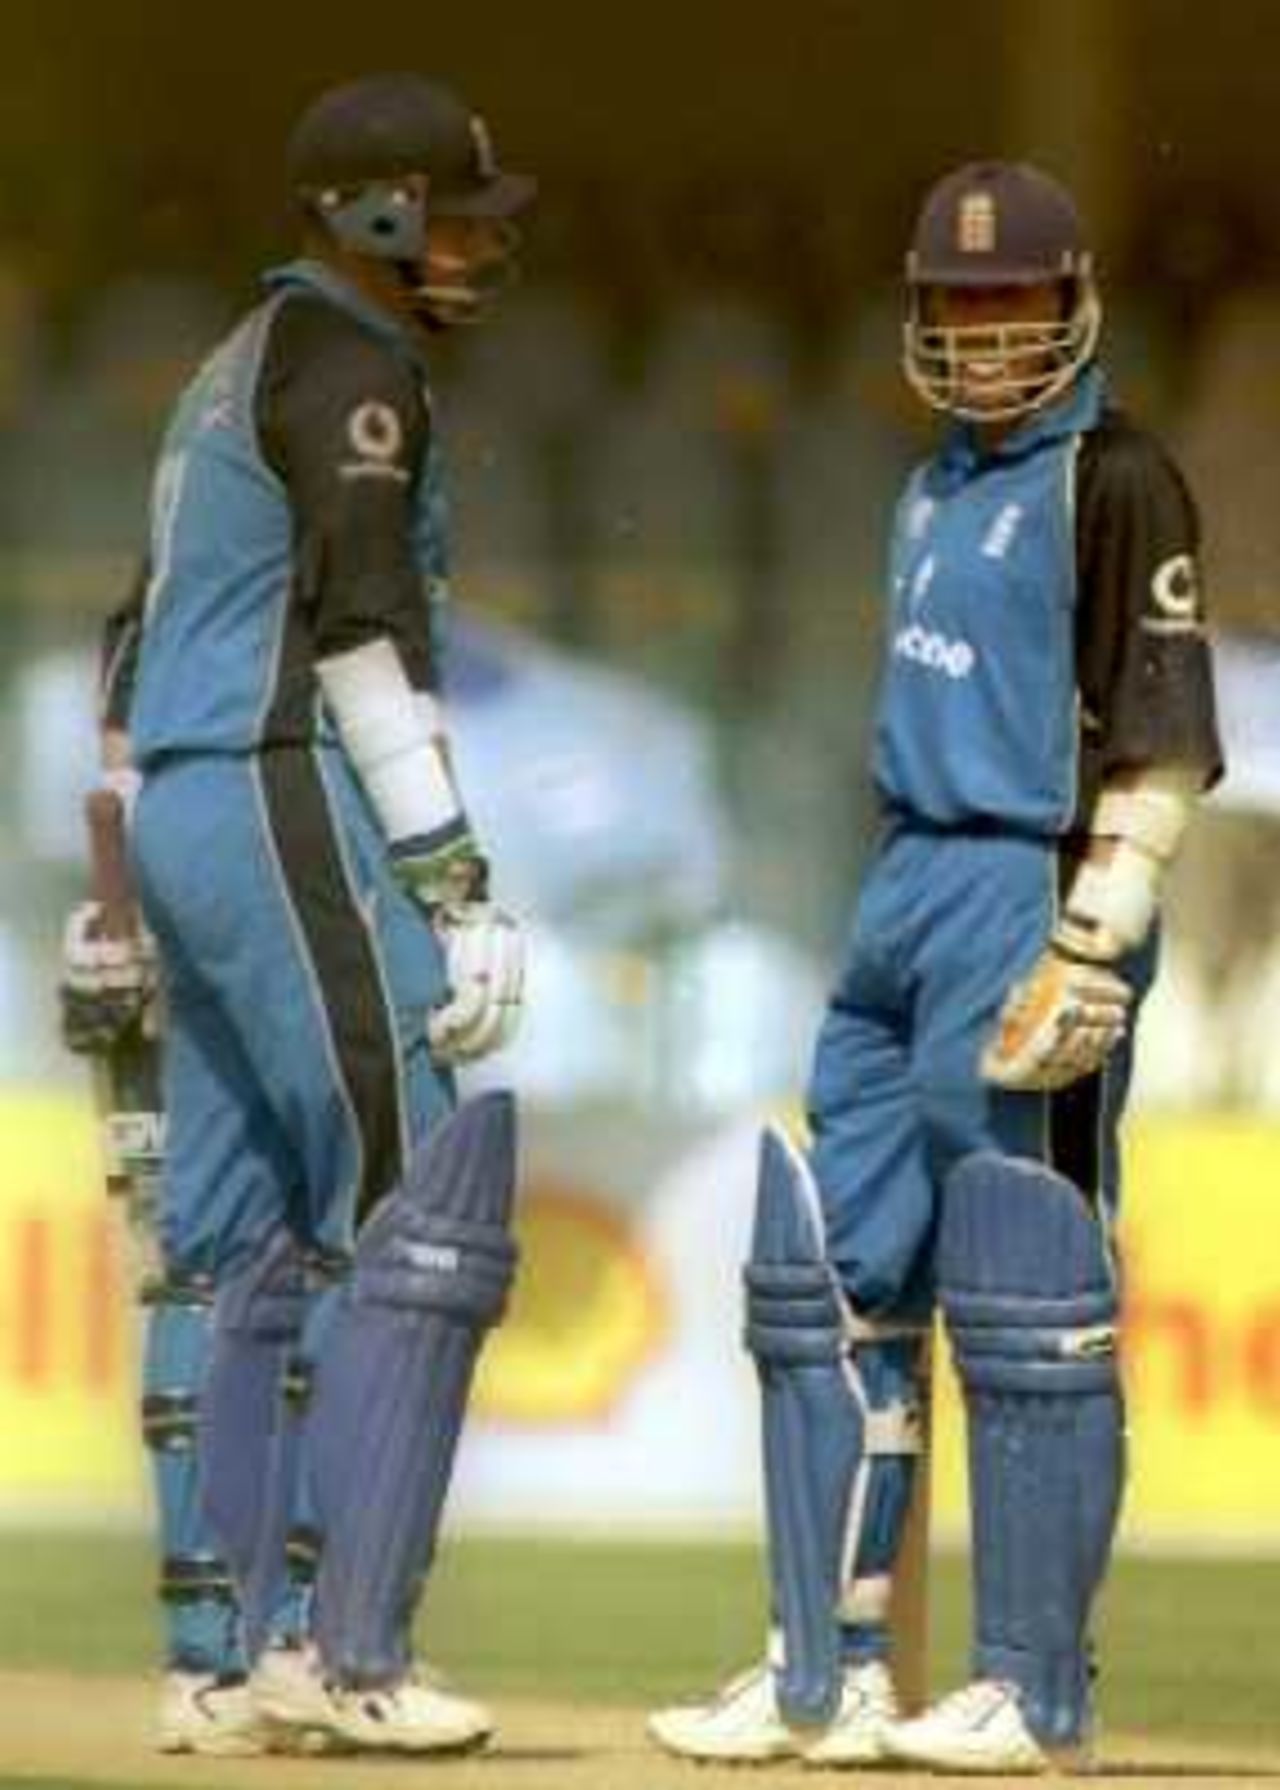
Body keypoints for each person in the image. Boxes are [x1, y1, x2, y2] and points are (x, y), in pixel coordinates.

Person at [648, 160, 1222, 1774]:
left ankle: (1030, 1687)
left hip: (1026, 876)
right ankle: (823, 1672)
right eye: (959, 304)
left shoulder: (1117, 479)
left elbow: (1164, 737)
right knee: (839, 1287)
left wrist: (1098, 925)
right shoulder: (928, 487)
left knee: (1029, 1292)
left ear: (1071, 301)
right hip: (902, 881)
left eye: (1012, 300)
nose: (983, 333)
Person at [78, 71, 533, 1757]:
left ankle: (213, 1659)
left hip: (192, 806)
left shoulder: (223, 367)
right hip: (281, 787)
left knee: (224, 1240)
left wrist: (125, 873)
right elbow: (357, 637)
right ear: (382, 214)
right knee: (410, 1194)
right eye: (458, 209)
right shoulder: (355, 370)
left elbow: (128, 643)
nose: (480, 242)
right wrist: (454, 882)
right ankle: (350, 1651)